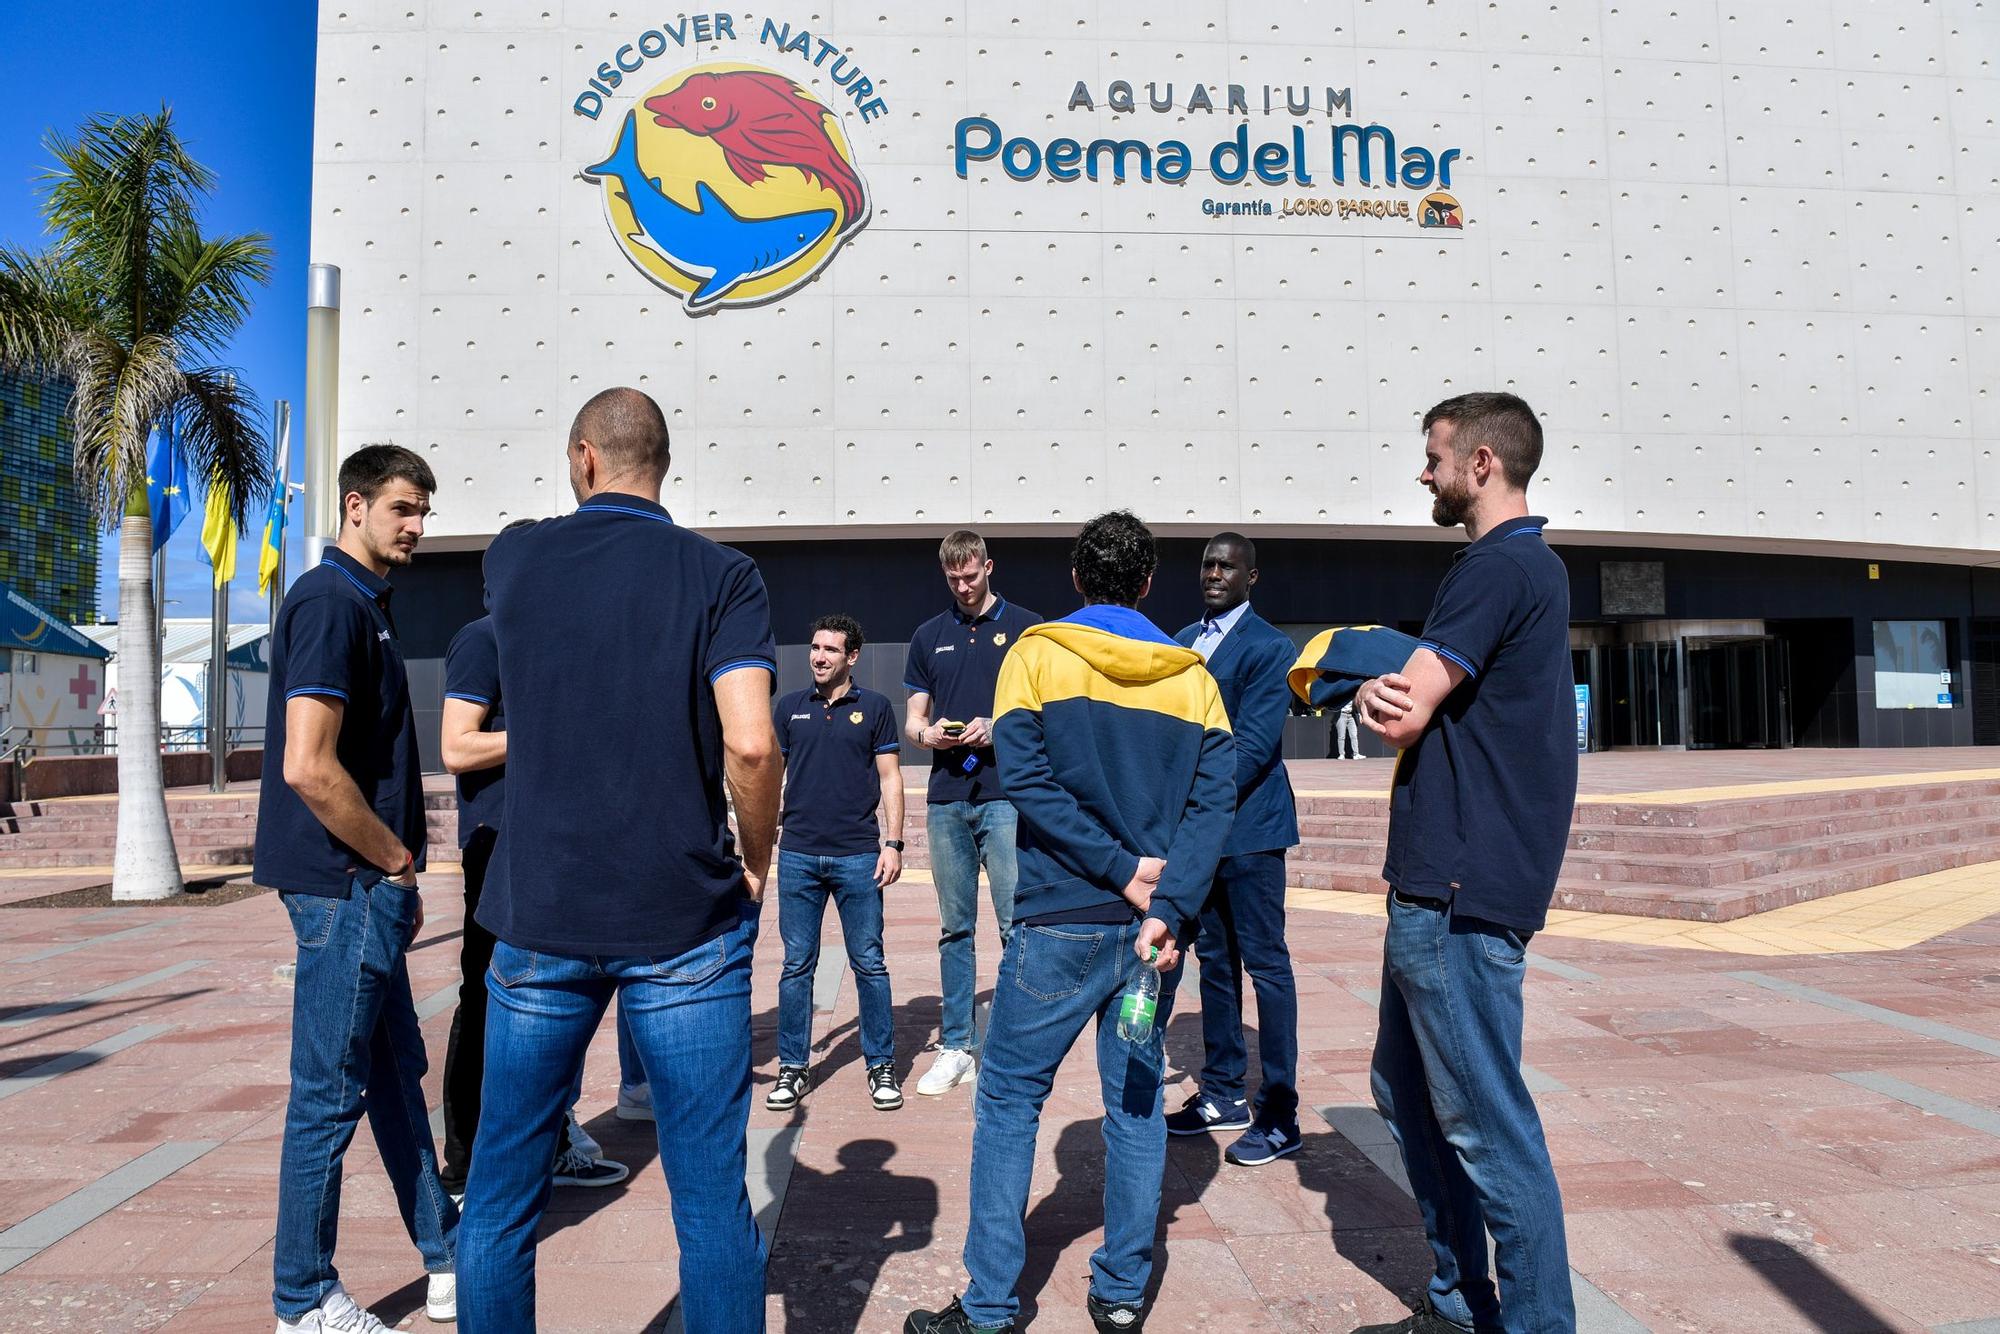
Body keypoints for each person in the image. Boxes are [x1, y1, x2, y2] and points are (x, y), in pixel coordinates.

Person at [458, 387, 781, 1334]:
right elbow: (753, 745)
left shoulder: (514, 558)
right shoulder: (724, 574)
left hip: (540, 912)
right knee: (712, 1206)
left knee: (502, 1200)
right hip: (682, 918)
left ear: (583, 458)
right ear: (664, 466)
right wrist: (756, 859)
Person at [906, 510, 1236, 1334]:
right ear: (1150, 584)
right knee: (1135, 1106)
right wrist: (1167, 902)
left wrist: (1120, 874)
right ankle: (1122, 1294)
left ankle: (987, 1308)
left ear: (1079, 579)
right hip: (1151, 937)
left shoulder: (1038, 654)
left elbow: (1024, 776)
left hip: (1059, 916)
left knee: (1011, 1099)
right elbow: (1213, 803)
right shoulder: (1193, 674)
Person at [1349, 392, 1578, 1334]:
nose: (1425, 473)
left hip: (1456, 894)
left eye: (1435, 457)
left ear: (1483, 463)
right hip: (1449, 886)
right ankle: (1456, 1304)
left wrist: (1363, 684)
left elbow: (1408, 709)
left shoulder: (1494, 567)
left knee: (1490, 1128)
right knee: (1403, 1092)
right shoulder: (1534, 568)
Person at [256, 444, 457, 1332]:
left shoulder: (364, 604)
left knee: (390, 1074)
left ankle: (444, 1249)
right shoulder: (332, 603)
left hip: (360, 887)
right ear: (354, 506)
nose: (417, 526)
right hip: (346, 888)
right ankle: (303, 1297)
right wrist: (397, 862)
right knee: (328, 1093)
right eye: (404, 508)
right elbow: (310, 766)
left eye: (424, 511)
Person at [439, 606, 628, 1197]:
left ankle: (550, 1138)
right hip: (497, 844)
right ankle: (467, 1162)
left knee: (554, 995)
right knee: (486, 997)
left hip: (553, 845)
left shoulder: (549, 639)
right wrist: (547, 731)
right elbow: (457, 748)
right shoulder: (482, 639)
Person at [1165, 532, 1303, 1166]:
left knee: (1266, 967)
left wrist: (1194, 800)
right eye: (1207, 565)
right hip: (1204, 837)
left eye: (1227, 567)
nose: (1214, 574)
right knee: (1216, 964)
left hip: (1249, 832)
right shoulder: (1182, 643)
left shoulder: (1270, 647)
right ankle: (1223, 1094)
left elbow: (1253, 747)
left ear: (1253, 576)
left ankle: (1281, 1112)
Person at [901, 531, 1040, 1096]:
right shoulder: (927, 636)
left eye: (971, 575)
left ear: (989, 566)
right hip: (947, 801)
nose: (963, 587)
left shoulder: (1028, 628)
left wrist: (996, 728)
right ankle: (957, 1044)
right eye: (953, 579)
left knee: (1014, 924)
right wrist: (926, 734)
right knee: (955, 929)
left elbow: (1042, 710)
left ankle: (1010, 1041)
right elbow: (912, 719)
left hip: (1005, 796)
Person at [768, 613, 907, 1112]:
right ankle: (792, 1066)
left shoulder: (874, 708)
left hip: (858, 855)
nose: (819, 657)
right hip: (799, 854)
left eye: (830, 649)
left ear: (852, 657)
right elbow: (769, 778)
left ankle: (881, 1064)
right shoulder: (788, 708)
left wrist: (893, 843)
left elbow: (891, 778)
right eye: (814, 647)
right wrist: (762, 842)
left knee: (869, 963)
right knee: (795, 965)